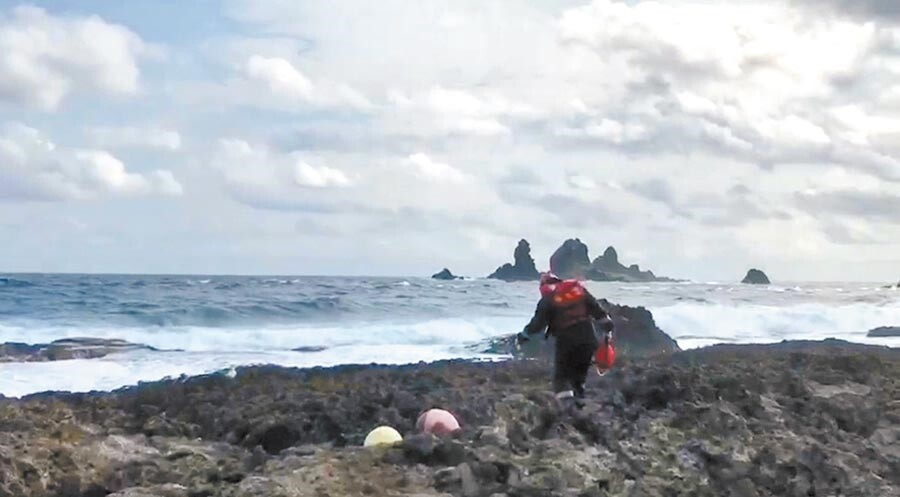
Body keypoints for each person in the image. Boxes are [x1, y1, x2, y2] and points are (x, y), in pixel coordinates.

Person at [517, 273, 614, 407]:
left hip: (566, 340)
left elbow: (537, 324)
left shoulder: (548, 298)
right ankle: (580, 405)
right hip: (588, 337)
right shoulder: (578, 290)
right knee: (579, 376)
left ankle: (567, 408)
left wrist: (524, 335)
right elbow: (598, 311)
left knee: (561, 376)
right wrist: (607, 329)